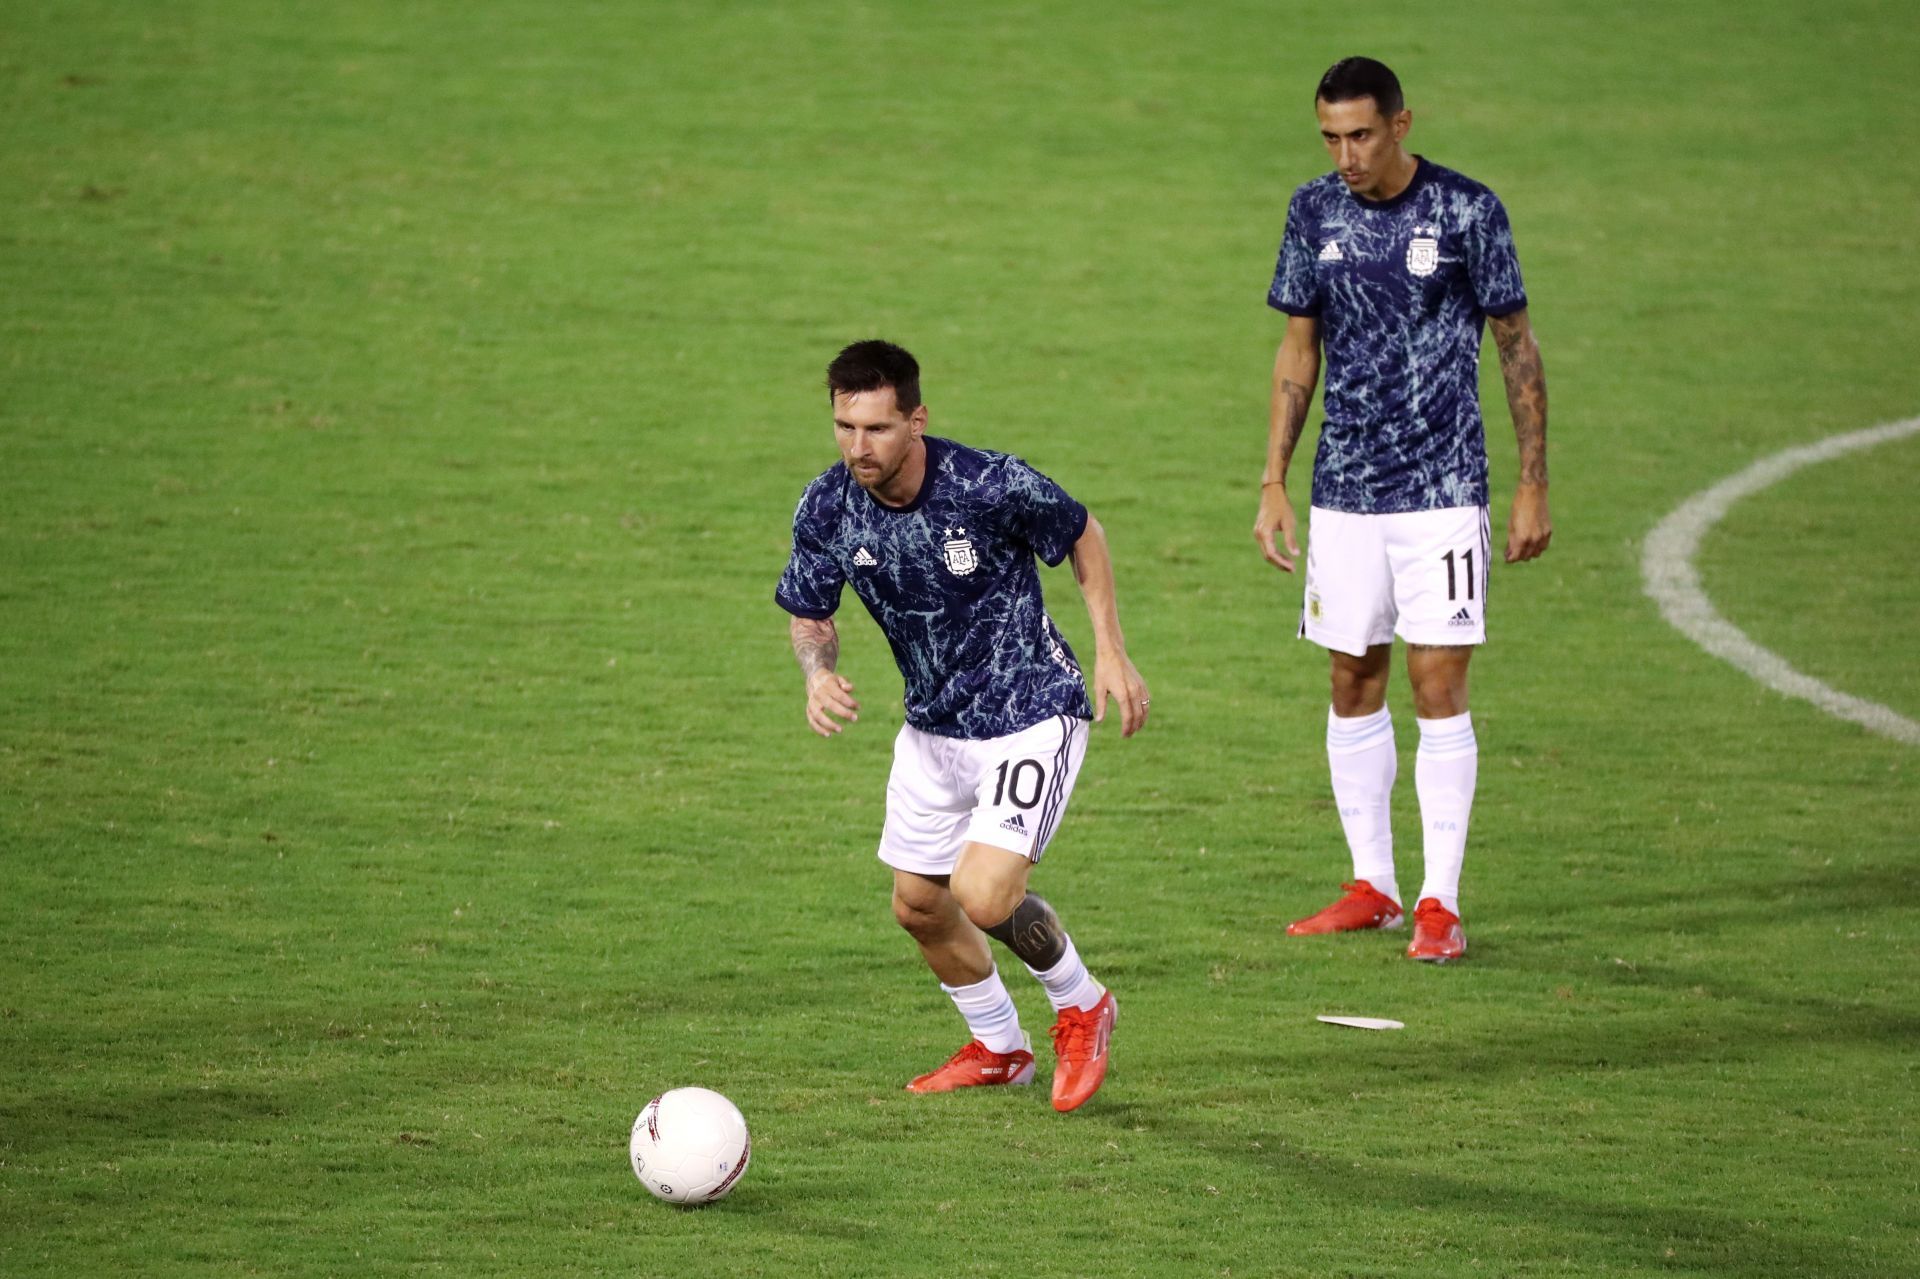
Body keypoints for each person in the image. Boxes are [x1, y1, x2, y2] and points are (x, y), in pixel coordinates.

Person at [777, 339, 1150, 1111]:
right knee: (917, 903)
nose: (858, 447)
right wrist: (817, 676)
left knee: (983, 891)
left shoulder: (986, 483)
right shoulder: (827, 505)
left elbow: (1083, 533)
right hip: (932, 730)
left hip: (1030, 712)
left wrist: (1111, 651)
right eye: (844, 427)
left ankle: (1083, 1005)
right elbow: (811, 608)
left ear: (917, 419)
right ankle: (1000, 1048)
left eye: (877, 428)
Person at [1252, 57, 1552, 962]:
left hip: (1441, 490)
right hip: (1344, 492)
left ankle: (1439, 901)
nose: (1346, 154)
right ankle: (1373, 884)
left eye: (1361, 134)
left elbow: (1517, 346)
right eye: (1331, 137)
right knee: (1350, 677)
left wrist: (1534, 480)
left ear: (1401, 123)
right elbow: (1298, 348)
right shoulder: (1313, 212)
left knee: (1436, 685)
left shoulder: (1468, 211)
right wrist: (1273, 477)